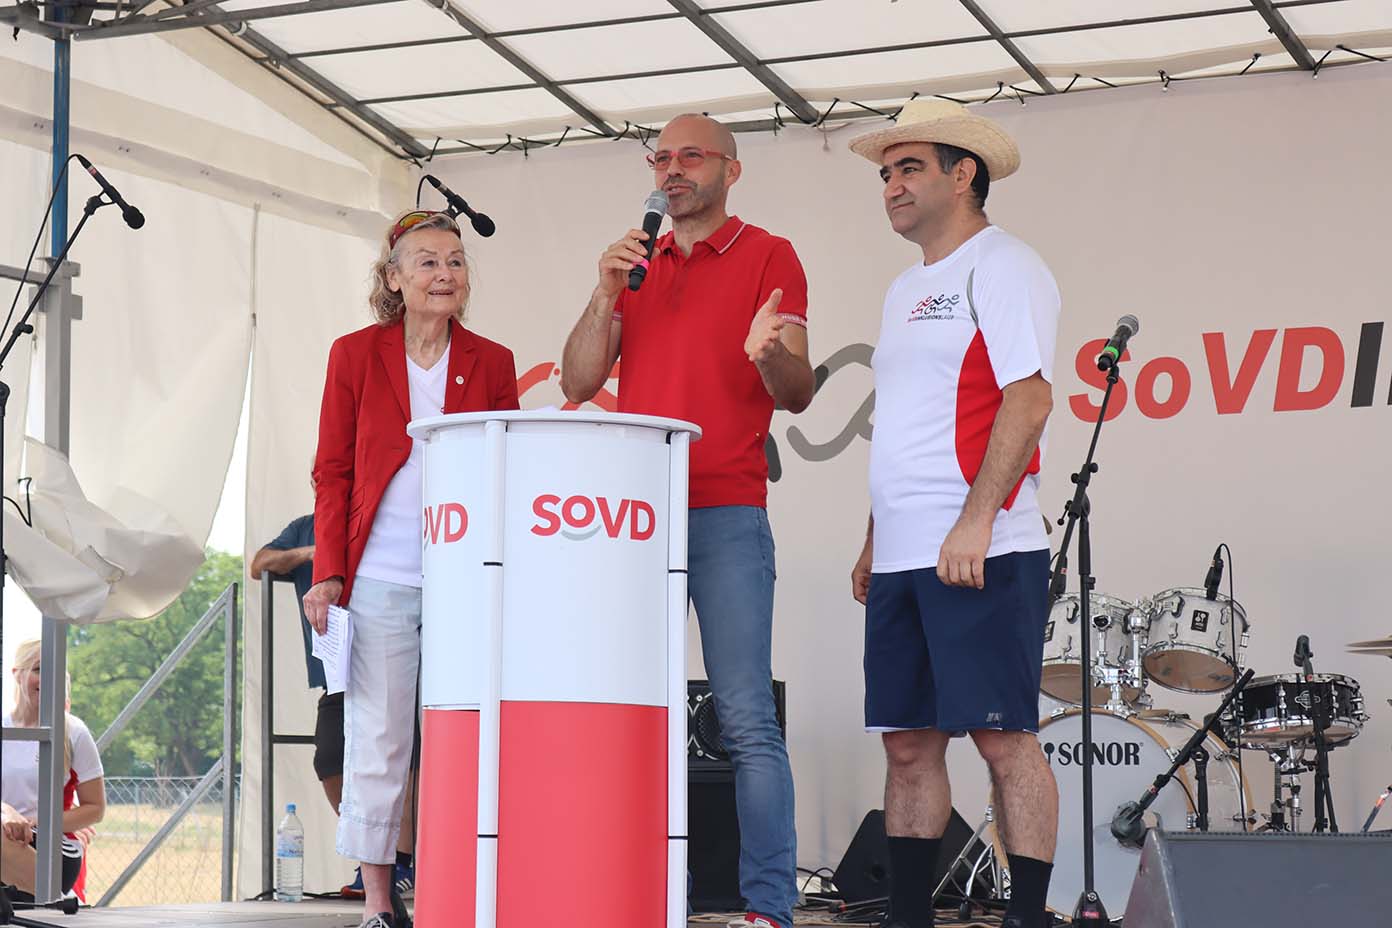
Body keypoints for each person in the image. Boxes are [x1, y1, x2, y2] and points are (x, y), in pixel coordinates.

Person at [561, 114, 814, 928]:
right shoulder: (639, 263)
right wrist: (605, 293)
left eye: (691, 156)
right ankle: (641, 894)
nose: (672, 170)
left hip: (727, 512)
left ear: (731, 171)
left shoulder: (769, 254)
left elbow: (798, 391)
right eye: (661, 158)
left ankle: (768, 907)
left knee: (745, 717)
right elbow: (577, 380)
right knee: (638, 715)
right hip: (639, 519)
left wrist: (768, 352)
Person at [846, 99, 1061, 928]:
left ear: (963, 173)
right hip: (903, 553)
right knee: (907, 744)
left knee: (1003, 740)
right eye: (886, 174)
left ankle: (1026, 915)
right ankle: (908, 916)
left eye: (910, 168)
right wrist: (875, 539)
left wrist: (975, 519)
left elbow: (1028, 399)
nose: (892, 187)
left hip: (984, 546)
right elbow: (905, 424)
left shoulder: (1004, 264)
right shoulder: (904, 287)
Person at [302, 209, 520, 928]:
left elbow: (510, 468)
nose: (445, 273)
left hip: (466, 574)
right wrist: (329, 572)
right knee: (378, 738)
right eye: (427, 261)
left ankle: (459, 886)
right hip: (380, 575)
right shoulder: (353, 354)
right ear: (393, 279)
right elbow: (332, 471)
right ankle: (376, 901)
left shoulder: (492, 361)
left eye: (455, 261)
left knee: (467, 734)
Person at [250, 507, 419, 899]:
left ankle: (401, 862)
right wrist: (314, 554)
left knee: (399, 757)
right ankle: (374, 854)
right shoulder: (304, 527)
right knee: (329, 759)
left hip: (389, 657)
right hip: (337, 670)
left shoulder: (383, 514)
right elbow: (259, 565)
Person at [1, 639, 106, 903]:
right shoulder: (4, 728)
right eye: (38, 669)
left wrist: (40, 822)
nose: (48, 679)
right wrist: (7, 812)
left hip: (51, 846)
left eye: (55, 671)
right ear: (17, 674)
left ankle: (57, 900)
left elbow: (95, 808)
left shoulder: (74, 731)